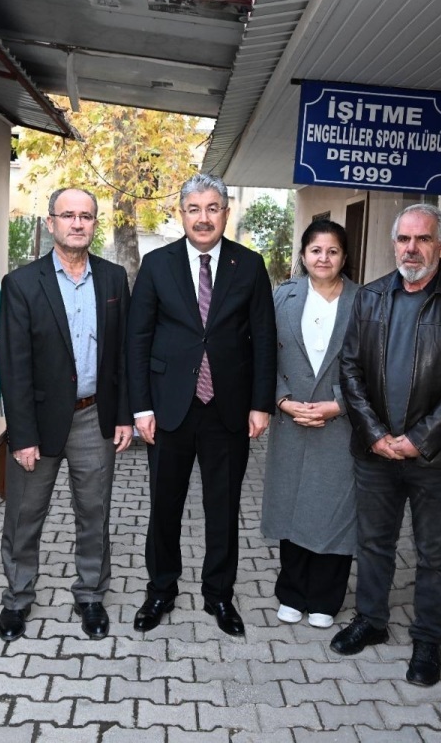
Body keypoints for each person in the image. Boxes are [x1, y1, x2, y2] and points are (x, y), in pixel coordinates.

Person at [334, 204, 441, 688]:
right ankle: (371, 621)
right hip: (376, 453)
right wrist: (377, 435)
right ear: (393, 243)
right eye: (403, 239)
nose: (411, 249)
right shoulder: (372, 297)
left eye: (423, 239)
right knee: (374, 543)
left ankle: (427, 642)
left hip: (437, 457)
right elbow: (350, 369)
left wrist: (419, 440)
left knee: (435, 555)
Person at [127, 172, 277, 637]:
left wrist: (261, 404)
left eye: (213, 208)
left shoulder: (249, 266)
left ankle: (219, 594)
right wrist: (141, 408)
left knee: (224, 507)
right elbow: (138, 339)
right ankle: (161, 589)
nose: (204, 217)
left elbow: (265, 341)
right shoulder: (156, 264)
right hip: (170, 408)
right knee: (163, 506)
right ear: (181, 214)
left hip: (228, 409)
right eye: (194, 209)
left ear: (226, 213)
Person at [0, 188, 133, 642]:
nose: (78, 223)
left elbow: (123, 353)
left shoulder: (114, 279)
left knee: (94, 512)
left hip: (96, 417)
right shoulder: (21, 283)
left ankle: (91, 594)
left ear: (95, 224)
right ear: (51, 222)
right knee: (24, 514)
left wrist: (124, 416)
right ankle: (17, 598)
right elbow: (13, 366)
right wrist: (21, 435)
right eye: (68, 215)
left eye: (87, 216)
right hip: (38, 421)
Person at [261, 219, 359, 629]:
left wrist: (338, 404)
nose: (324, 258)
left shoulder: (365, 300)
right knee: (293, 506)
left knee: (335, 511)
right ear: (303, 256)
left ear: (344, 256)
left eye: (332, 251)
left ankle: (325, 598)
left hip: (340, 423)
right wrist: (281, 399)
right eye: (316, 250)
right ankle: (291, 591)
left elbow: (372, 364)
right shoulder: (281, 297)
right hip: (291, 417)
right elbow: (264, 354)